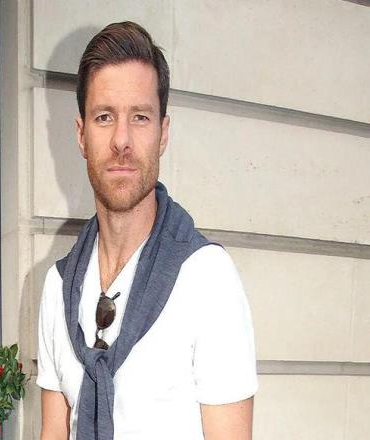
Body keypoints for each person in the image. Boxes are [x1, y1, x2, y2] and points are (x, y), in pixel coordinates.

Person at [37, 21, 258, 440]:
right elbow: (53, 433)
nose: (121, 140)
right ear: (82, 135)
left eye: (140, 117)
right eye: (104, 117)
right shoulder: (58, 286)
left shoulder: (207, 278)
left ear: (163, 133)